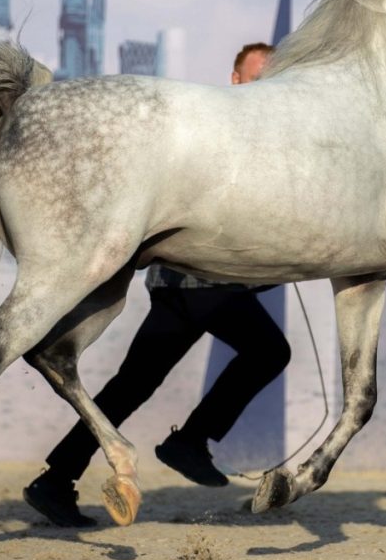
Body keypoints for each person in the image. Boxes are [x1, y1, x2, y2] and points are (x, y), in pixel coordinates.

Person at [24, 43, 290, 526]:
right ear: (234, 81)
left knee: (132, 385)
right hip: (202, 280)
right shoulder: (223, 129)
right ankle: (190, 441)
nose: (264, 89)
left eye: (273, 80)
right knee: (270, 352)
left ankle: (55, 477)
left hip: (183, 286)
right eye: (256, 79)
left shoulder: (257, 136)